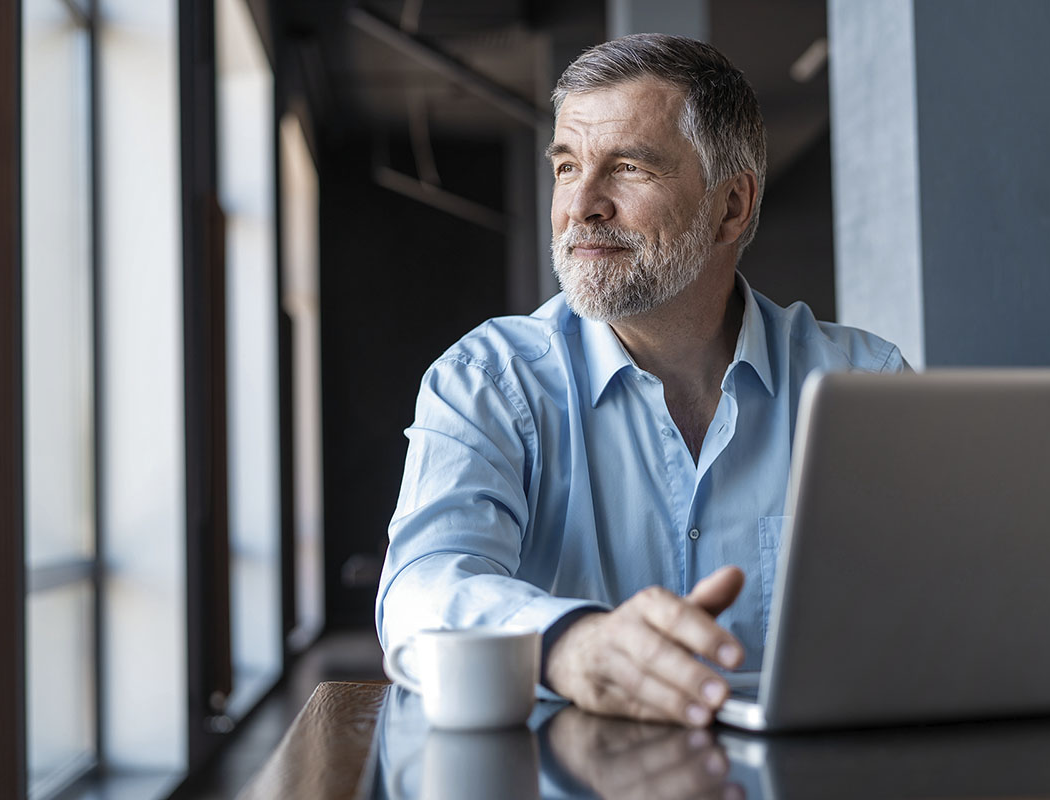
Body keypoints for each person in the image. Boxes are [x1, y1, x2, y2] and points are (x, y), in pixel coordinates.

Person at [376, 33, 907, 728]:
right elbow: (421, 589)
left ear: (731, 206)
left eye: (628, 167)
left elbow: (937, 607)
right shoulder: (489, 380)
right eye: (567, 167)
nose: (583, 206)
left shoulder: (863, 385)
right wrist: (568, 642)